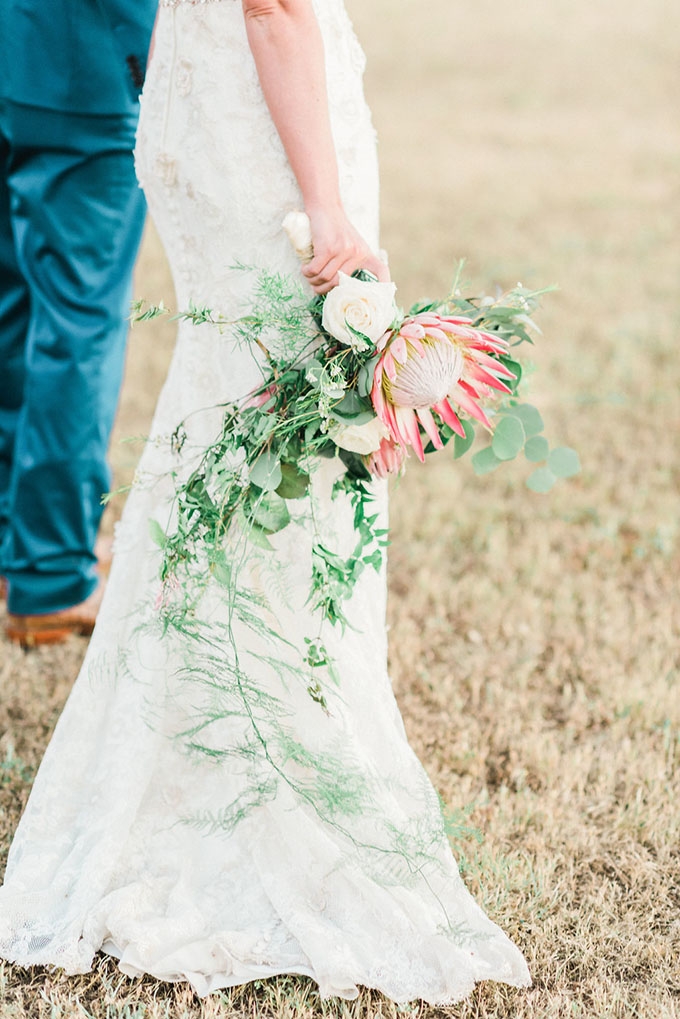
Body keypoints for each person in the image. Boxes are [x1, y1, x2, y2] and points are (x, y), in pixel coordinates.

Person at [0, 0, 531, 1004]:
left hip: (206, 86)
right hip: (261, 102)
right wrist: (325, 204)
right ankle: (268, 748)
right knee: (277, 402)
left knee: (233, 403)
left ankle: (206, 726)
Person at [0, 0, 157, 645]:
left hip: (19, 49)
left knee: (16, 304)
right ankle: (53, 577)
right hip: (87, 65)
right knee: (80, 324)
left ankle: (16, 552)